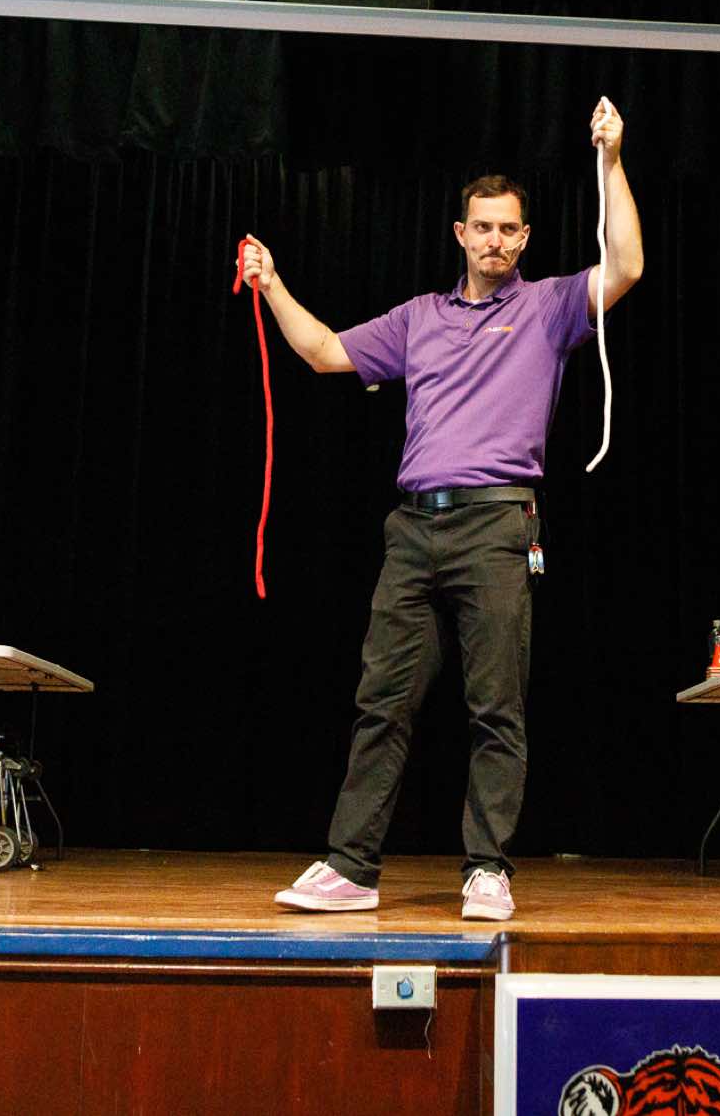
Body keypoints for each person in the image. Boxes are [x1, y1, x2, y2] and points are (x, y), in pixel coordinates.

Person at [244, 97, 642, 921]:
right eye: (482, 227)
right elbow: (324, 352)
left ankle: (488, 867)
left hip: (497, 525)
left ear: (524, 239)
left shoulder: (546, 308)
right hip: (414, 528)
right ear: (460, 233)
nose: (495, 239)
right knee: (380, 700)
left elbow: (626, 266)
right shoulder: (419, 318)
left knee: (495, 704)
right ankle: (351, 867)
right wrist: (273, 283)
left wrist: (610, 160)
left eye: (509, 229)